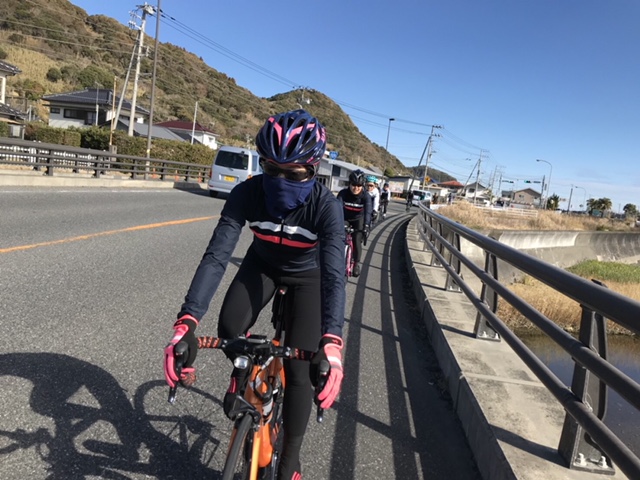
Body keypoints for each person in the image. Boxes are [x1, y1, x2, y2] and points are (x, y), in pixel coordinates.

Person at [163, 109, 346, 480]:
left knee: (298, 374)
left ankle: (290, 463)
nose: (280, 181)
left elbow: (333, 276)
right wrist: (186, 321)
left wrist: (332, 342)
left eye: (293, 174)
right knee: (230, 326)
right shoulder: (247, 192)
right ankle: (242, 373)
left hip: (307, 277)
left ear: (314, 170)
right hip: (261, 265)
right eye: (271, 170)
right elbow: (216, 257)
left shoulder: (326, 207)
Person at [337, 169, 372, 277]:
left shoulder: (366, 196)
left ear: (362, 185)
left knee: (357, 239)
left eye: (359, 185)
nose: (356, 188)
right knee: (338, 237)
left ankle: (356, 263)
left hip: (358, 220)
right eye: (353, 185)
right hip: (345, 219)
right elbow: (336, 209)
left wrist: (366, 226)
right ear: (349, 184)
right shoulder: (343, 193)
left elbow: (368, 212)